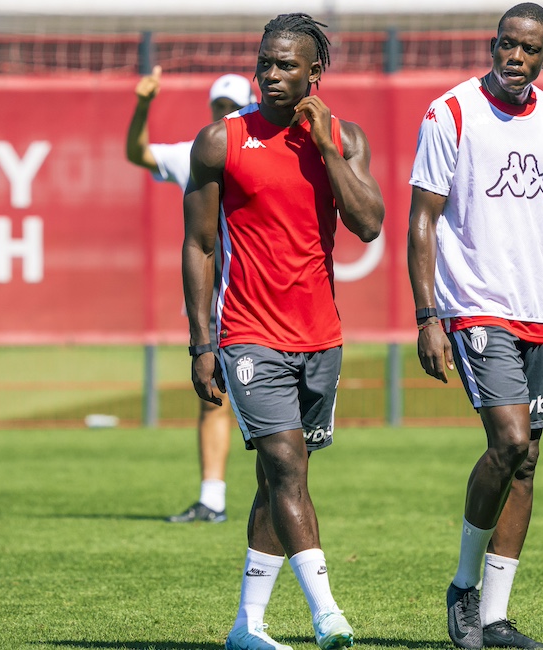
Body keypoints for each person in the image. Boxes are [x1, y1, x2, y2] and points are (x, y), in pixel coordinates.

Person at [407, 3, 543, 648]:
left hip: (538, 313)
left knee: (528, 462)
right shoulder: (451, 112)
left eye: (529, 50)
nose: (514, 57)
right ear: (493, 46)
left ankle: (493, 619)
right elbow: (422, 220)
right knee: (510, 440)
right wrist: (427, 315)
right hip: (475, 306)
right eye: (506, 45)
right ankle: (464, 591)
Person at [182, 13, 384, 650]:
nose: (270, 74)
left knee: (279, 482)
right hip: (247, 335)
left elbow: (370, 222)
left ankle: (248, 626)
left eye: (286, 65)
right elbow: (198, 244)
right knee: (286, 465)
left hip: (321, 337)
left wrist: (325, 148)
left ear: (314, 74)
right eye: (264, 62)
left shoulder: (345, 137)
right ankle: (328, 614)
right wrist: (202, 343)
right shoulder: (220, 140)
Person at [126, 66, 255, 524]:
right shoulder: (199, 152)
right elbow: (137, 152)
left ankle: (282, 491)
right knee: (213, 393)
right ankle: (213, 498)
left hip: (261, 291)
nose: (226, 115)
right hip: (220, 293)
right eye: (219, 108)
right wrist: (143, 103)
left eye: (234, 107)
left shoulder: (265, 147)